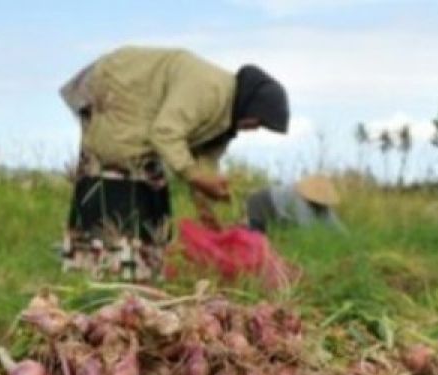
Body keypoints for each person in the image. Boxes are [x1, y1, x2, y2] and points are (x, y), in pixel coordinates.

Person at [59, 46, 290, 281]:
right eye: (257, 123)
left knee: (150, 185)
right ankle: (101, 272)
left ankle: (142, 271)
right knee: (117, 167)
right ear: (250, 107)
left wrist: (207, 212)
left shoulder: (224, 123)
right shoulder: (207, 89)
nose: (253, 129)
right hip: (119, 83)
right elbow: (165, 133)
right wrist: (195, 177)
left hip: (141, 105)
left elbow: (202, 168)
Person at [245, 174, 345, 234]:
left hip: (279, 209)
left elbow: (333, 223)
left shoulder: (322, 205)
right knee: (257, 235)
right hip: (260, 201)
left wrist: (345, 238)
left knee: (276, 233)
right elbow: (305, 228)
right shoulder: (299, 199)